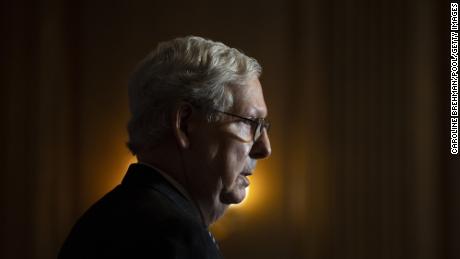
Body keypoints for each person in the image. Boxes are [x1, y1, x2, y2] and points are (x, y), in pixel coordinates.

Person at [58, 36, 272, 258]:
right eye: (248, 122)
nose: (265, 148)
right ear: (185, 125)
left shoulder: (100, 220)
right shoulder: (176, 237)